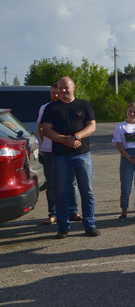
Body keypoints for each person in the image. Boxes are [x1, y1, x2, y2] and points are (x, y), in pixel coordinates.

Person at [41, 76, 99, 238]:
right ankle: (63, 227)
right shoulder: (51, 108)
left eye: (66, 87)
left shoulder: (84, 105)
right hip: (60, 156)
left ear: (74, 88)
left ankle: (90, 225)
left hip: (82, 155)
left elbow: (91, 126)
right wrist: (64, 140)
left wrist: (75, 137)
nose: (62, 91)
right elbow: (46, 130)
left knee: (87, 191)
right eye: (60, 88)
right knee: (61, 192)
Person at [37, 82, 79, 226]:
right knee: (52, 183)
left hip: (68, 150)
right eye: (53, 92)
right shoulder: (45, 108)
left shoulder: (68, 106)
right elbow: (41, 128)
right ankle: (53, 213)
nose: (55, 95)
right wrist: (45, 144)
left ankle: (72, 211)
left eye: (57, 92)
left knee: (71, 182)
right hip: (50, 151)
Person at [111, 102, 135, 222]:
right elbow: (118, 144)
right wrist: (128, 157)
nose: (132, 113)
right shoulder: (120, 126)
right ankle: (124, 212)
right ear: (126, 112)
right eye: (130, 111)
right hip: (126, 155)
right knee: (126, 186)